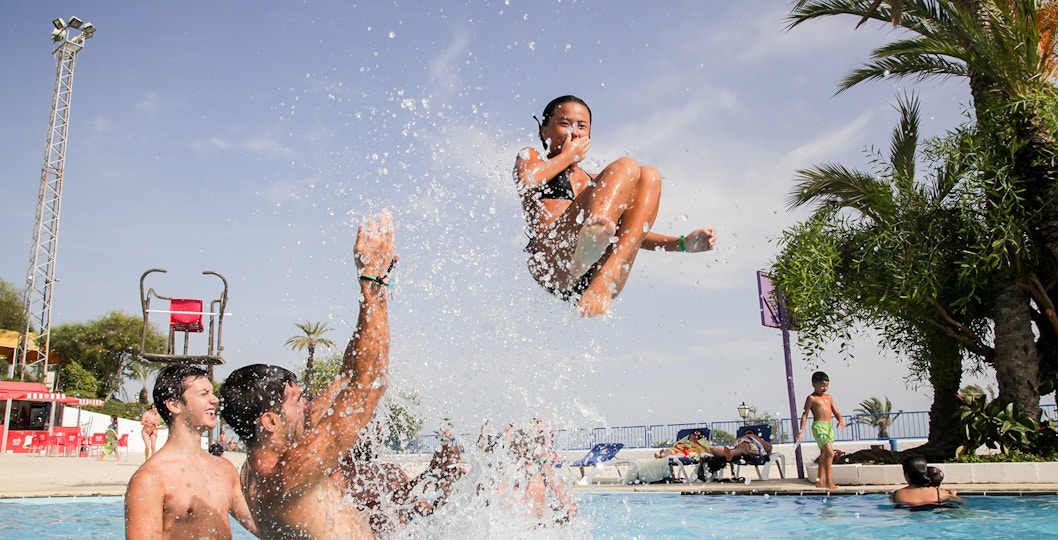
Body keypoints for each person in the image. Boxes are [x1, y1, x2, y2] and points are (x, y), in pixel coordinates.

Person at [220, 210, 400, 539]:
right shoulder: (288, 475)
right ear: (270, 422)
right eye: (297, 400)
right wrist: (371, 283)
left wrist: (374, 289)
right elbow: (370, 384)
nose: (308, 405)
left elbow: (349, 376)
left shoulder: (260, 464)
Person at [514, 95, 718, 317]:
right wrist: (568, 155)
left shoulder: (598, 185)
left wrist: (682, 244)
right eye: (565, 123)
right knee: (625, 166)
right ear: (544, 131)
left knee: (649, 175)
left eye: (582, 127)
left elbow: (629, 232)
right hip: (553, 265)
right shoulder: (533, 158)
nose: (574, 132)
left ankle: (605, 274)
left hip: (594, 277)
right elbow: (528, 180)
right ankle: (586, 250)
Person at [125, 364, 258, 539]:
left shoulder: (224, 469)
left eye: (212, 392)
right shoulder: (150, 479)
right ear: (174, 404)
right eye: (204, 394)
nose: (215, 399)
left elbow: (263, 528)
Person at [335, 424, 464, 535]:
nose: (380, 429)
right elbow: (397, 503)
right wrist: (429, 472)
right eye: (373, 420)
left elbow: (422, 510)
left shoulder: (389, 473)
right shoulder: (386, 474)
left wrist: (443, 484)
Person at [795, 371, 845, 489]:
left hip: (829, 428)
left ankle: (819, 481)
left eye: (827, 386)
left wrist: (840, 420)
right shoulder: (811, 398)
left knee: (824, 455)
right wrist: (801, 431)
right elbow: (805, 414)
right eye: (822, 385)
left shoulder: (829, 398)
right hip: (819, 427)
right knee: (829, 453)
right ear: (814, 384)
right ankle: (828, 481)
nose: (825, 388)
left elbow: (836, 411)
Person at [891, 455, 963, 509]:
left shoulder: (896, 495)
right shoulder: (940, 493)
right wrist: (953, 495)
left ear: (906, 475)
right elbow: (961, 502)